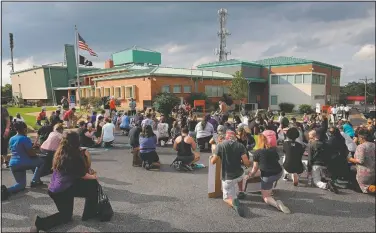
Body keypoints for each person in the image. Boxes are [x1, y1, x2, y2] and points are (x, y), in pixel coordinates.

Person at [30, 131, 99, 232]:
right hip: (62, 191)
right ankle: (40, 223)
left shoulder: (60, 152)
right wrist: (94, 177)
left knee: (67, 217)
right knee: (93, 184)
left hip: (56, 189)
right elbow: (83, 175)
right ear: (76, 142)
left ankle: (40, 223)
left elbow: (76, 173)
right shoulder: (74, 156)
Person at [210, 130, 251, 217]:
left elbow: (213, 161)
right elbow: (247, 163)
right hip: (239, 175)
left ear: (226, 137)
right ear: (235, 137)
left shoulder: (220, 145)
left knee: (226, 198)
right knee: (241, 175)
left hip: (228, 177)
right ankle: (241, 191)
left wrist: (215, 153)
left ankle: (234, 203)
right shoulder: (240, 145)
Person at [5, 121, 45, 195]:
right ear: (24, 129)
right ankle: (35, 181)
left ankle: (6, 191)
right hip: (23, 162)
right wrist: (36, 153)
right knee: (41, 162)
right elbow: (31, 154)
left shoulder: (11, 139)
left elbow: (16, 149)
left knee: (21, 185)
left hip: (13, 164)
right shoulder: (25, 138)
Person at [307, 129, 338, 193]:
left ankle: (326, 185)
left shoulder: (311, 144)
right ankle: (327, 181)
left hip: (316, 165)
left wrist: (309, 168)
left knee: (316, 182)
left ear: (315, 136)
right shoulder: (326, 144)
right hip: (325, 165)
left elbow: (310, 158)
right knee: (322, 176)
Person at [347, 130, 375, 194]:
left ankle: (369, 188)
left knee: (350, 168)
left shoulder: (361, 147)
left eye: (359, 138)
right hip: (373, 172)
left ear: (362, 138)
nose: (359, 139)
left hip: (364, 174)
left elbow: (360, 161)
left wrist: (349, 159)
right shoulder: (374, 145)